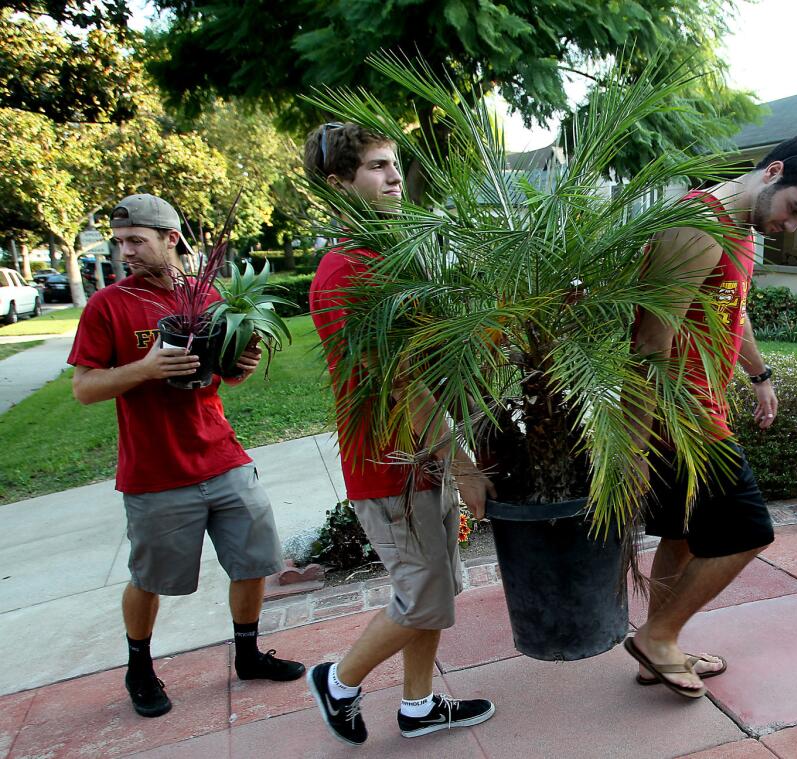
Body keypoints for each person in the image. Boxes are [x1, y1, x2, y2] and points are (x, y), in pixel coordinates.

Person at [624, 136, 797, 699]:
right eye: (793, 209)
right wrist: (634, 444)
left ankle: (658, 648)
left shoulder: (741, 230)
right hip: (681, 415)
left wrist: (760, 374)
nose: (790, 227)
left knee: (682, 535)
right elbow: (650, 341)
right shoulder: (697, 225)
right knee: (748, 530)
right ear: (772, 172)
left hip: (704, 405)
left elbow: (732, 308)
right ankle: (659, 635)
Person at [68, 194, 304, 719]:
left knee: (254, 559)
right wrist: (146, 367)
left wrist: (241, 362)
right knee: (150, 578)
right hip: (155, 472)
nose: (125, 251)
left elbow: (225, 373)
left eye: (136, 241)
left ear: (170, 239)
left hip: (222, 455)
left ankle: (247, 654)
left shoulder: (211, 296)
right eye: (120, 242)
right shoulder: (109, 305)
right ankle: (140, 668)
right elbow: (84, 388)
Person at [303, 122, 496, 745]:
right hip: (388, 463)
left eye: (395, 164)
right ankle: (339, 680)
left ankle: (417, 706)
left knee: (436, 590)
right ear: (339, 184)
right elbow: (404, 388)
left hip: (422, 460)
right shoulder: (348, 273)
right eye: (378, 167)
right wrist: (465, 467)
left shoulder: (385, 258)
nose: (394, 178)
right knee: (423, 596)